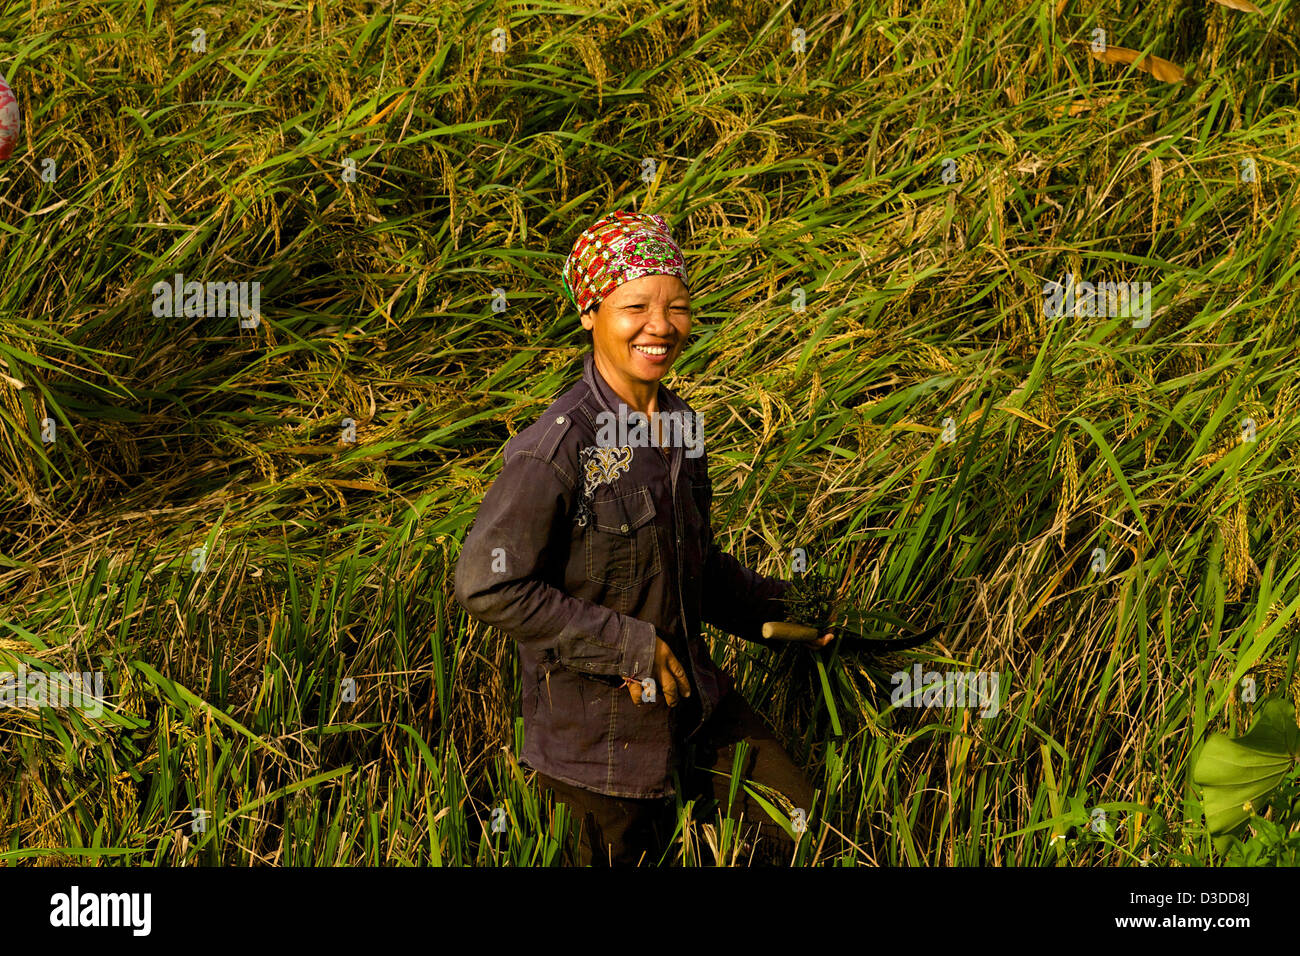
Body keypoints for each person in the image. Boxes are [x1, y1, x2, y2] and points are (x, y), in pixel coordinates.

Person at [453, 210, 832, 866]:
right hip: (597, 748)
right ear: (590, 312)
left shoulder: (682, 427)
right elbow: (489, 582)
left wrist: (784, 612)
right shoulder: (557, 448)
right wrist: (628, 647)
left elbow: (693, 566)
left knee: (805, 831)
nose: (661, 325)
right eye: (636, 306)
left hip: (694, 706)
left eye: (677, 306)